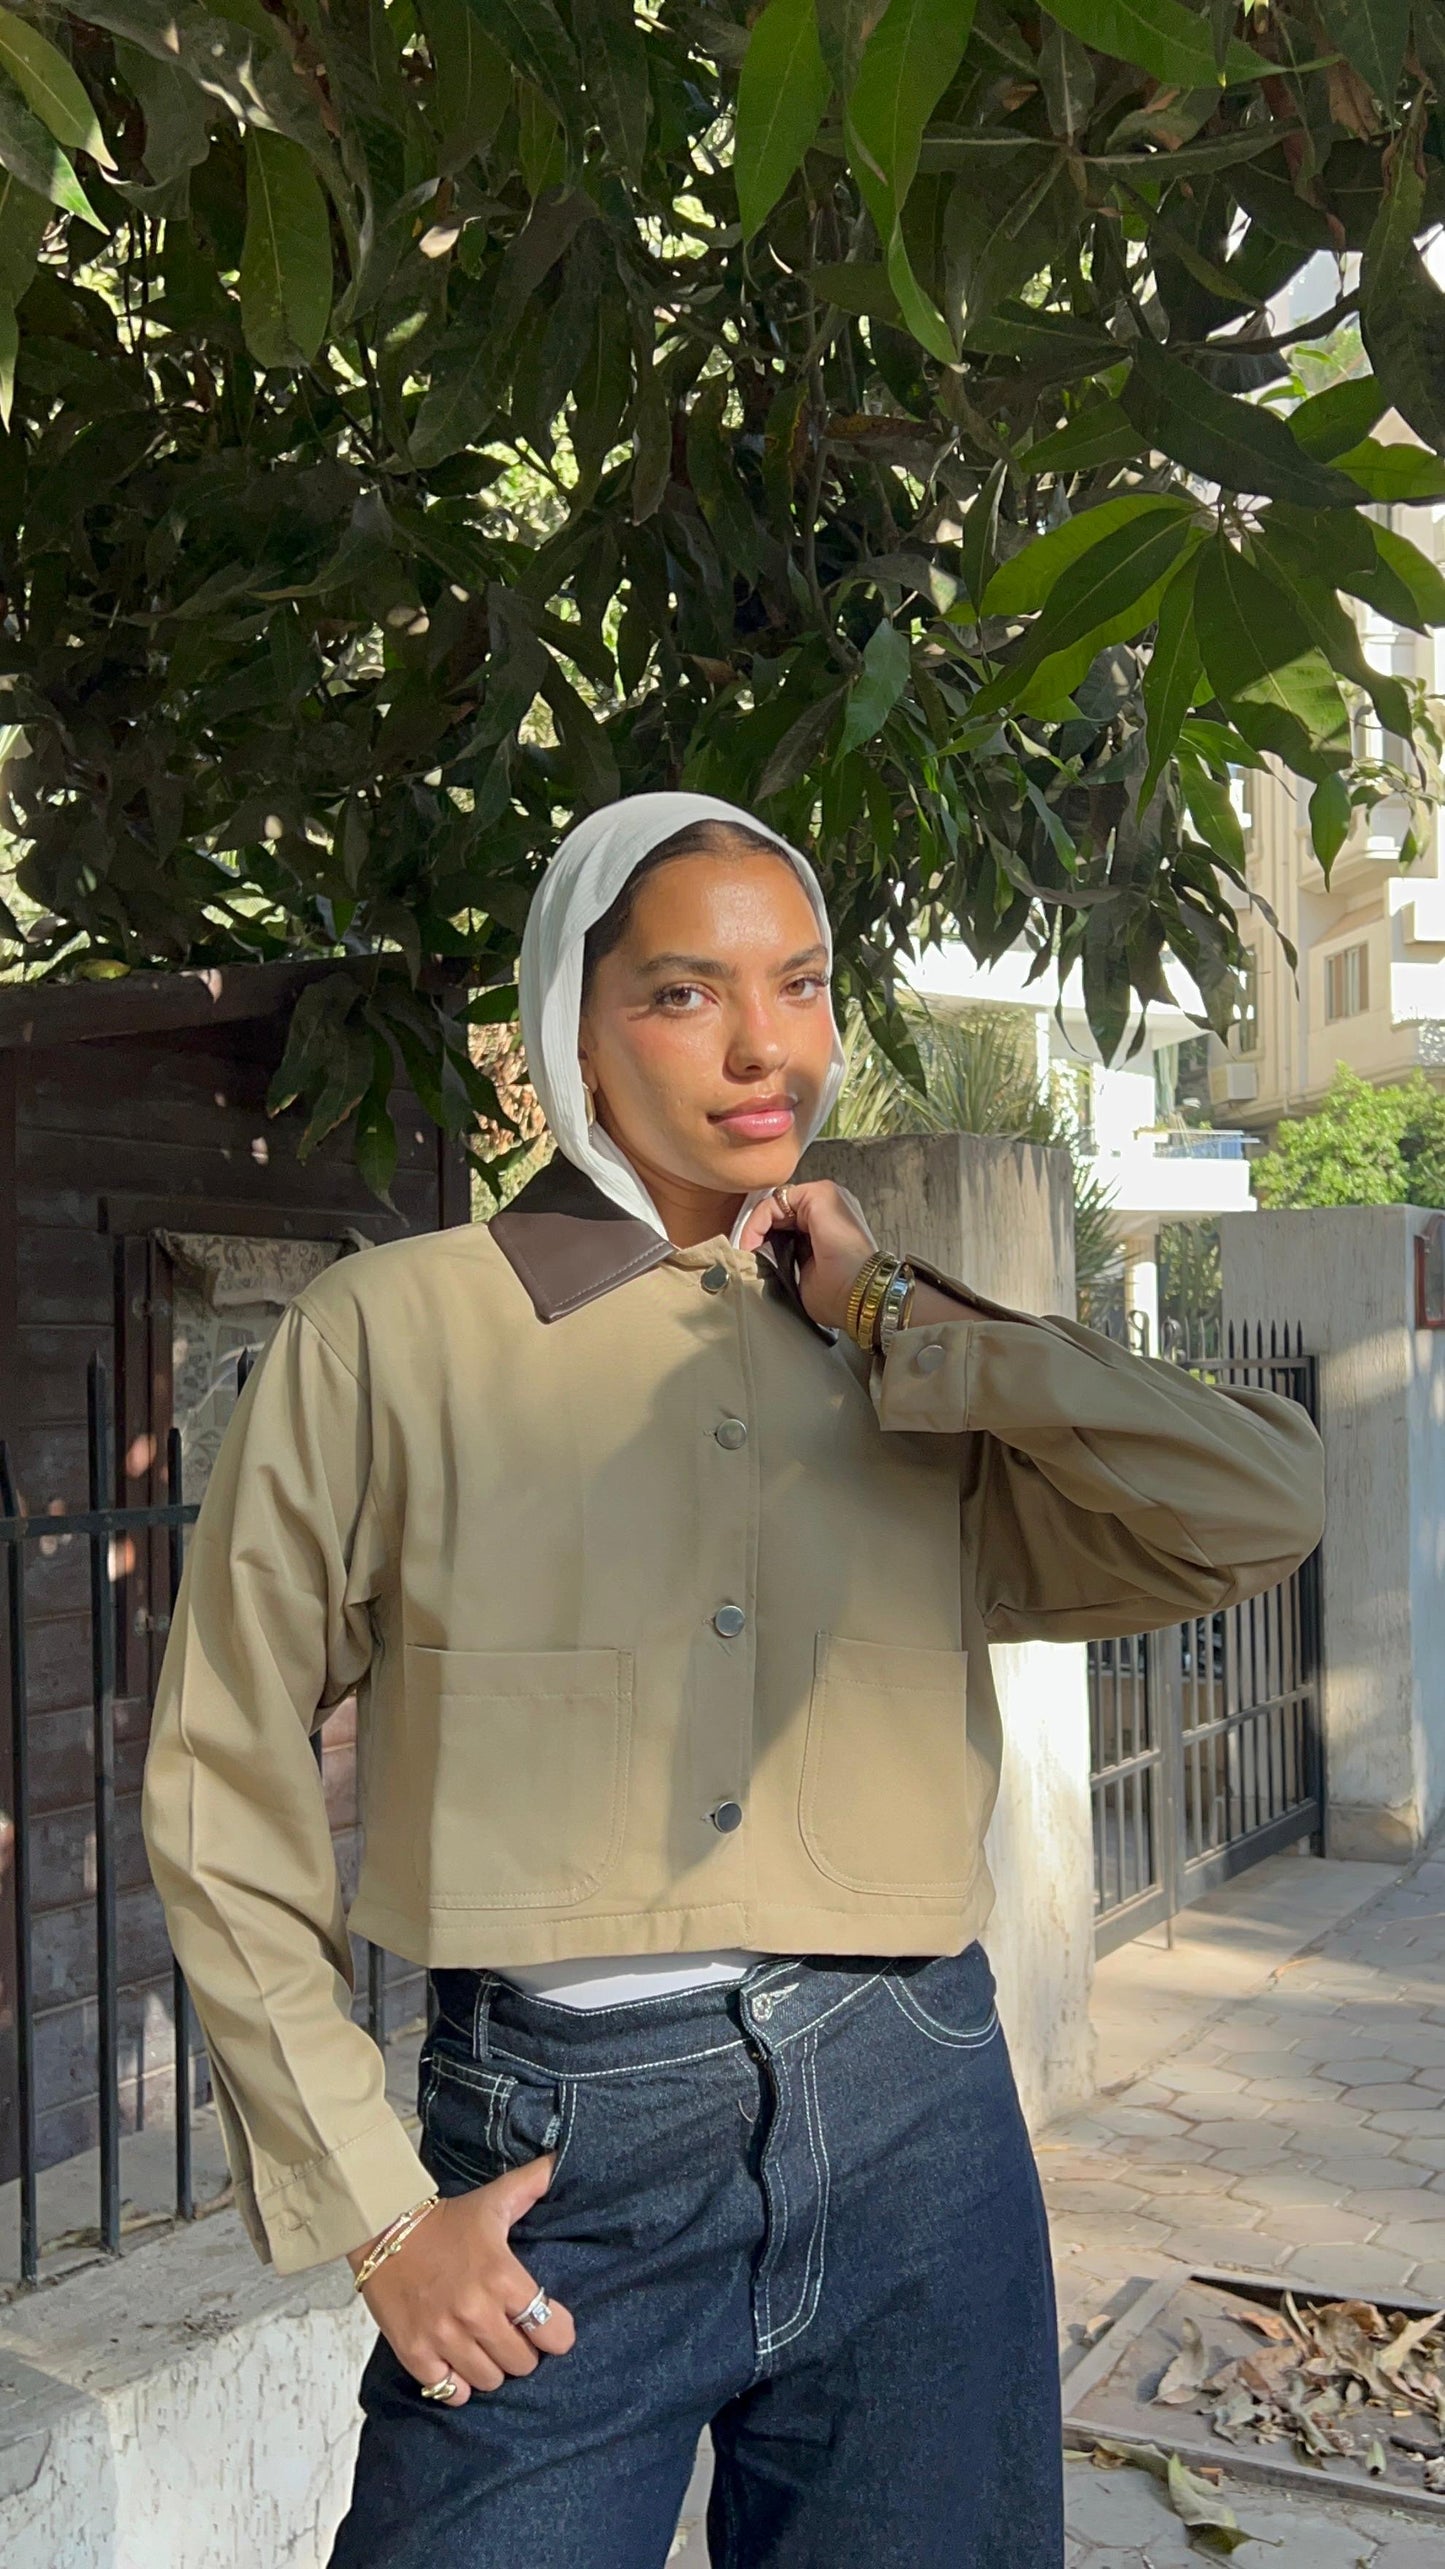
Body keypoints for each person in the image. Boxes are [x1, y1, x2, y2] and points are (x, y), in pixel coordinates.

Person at [142, 790, 1325, 2568]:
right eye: (684, 993)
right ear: (570, 1030)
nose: (763, 1044)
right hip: (559, 2158)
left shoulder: (898, 1353)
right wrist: (381, 2214)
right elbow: (220, 1781)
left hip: (920, 2111)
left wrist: (889, 1311)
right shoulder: (392, 1333)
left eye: (801, 982)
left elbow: (1262, 1498)